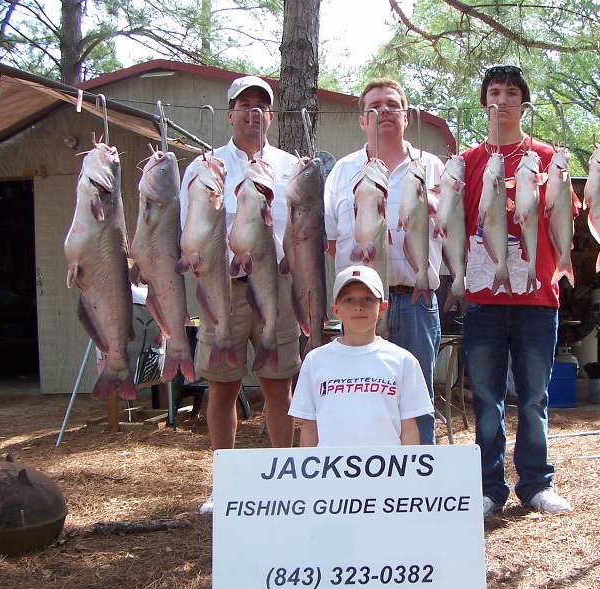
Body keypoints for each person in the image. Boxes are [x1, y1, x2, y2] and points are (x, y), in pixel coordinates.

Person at [179, 76, 300, 512]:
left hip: (275, 287)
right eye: (242, 105)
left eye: (260, 106)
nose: (252, 113)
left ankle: (286, 480)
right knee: (223, 388)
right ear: (229, 114)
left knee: (277, 387)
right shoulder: (204, 167)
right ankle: (225, 484)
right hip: (222, 290)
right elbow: (187, 231)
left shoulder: (289, 167)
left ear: (270, 116)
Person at [461, 65, 573, 517]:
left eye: (511, 93)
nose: (501, 100)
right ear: (484, 102)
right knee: (486, 398)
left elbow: (564, 219)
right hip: (483, 300)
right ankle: (489, 488)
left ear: (523, 104)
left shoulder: (546, 158)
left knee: (533, 397)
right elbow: (458, 220)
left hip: (537, 299)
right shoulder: (467, 162)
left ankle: (535, 484)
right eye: (494, 92)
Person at [323, 78, 444, 445]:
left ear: (406, 116)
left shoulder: (433, 167)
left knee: (416, 400)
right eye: (374, 106)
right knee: (359, 399)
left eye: (392, 105)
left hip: (414, 300)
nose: (384, 112)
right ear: (362, 120)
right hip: (359, 305)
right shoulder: (342, 172)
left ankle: (422, 488)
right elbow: (330, 242)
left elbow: (452, 232)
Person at [289, 266, 434, 447]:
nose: (358, 307)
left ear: (383, 307)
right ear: (335, 309)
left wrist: (409, 473)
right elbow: (310, 427)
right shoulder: (315, 361)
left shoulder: (403, 361)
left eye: (367, 299)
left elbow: (409, 428)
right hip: (330, 472)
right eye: (348, 300)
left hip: (388, 471)